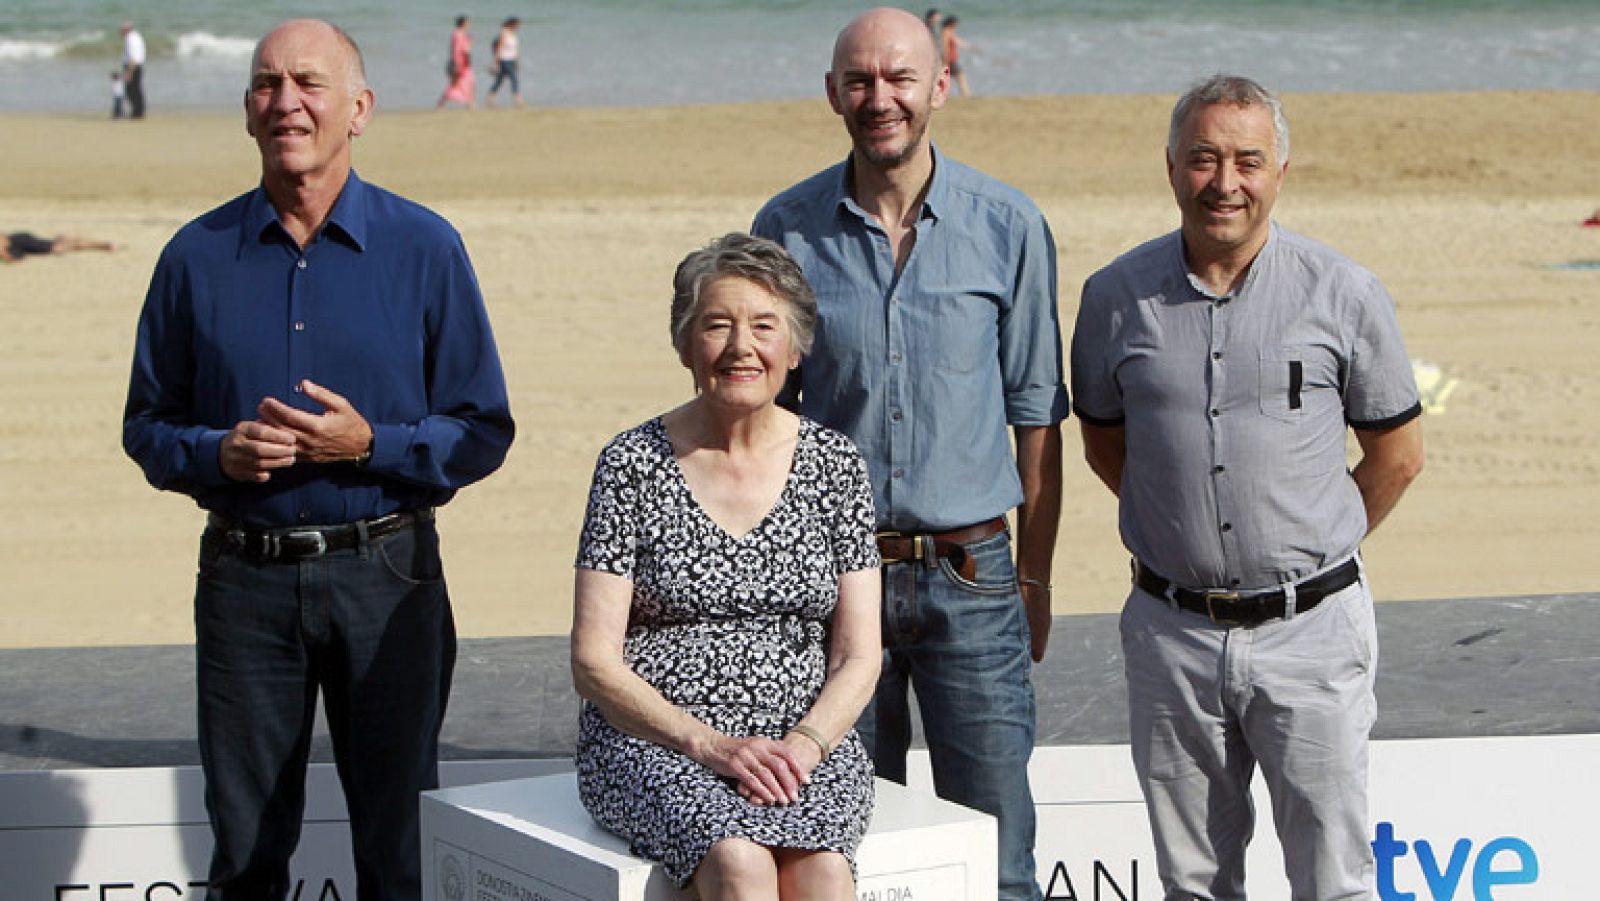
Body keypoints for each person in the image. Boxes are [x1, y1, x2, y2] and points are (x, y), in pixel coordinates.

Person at [121, 18, 514, 901]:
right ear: (247, 111)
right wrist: (215, 452)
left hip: (389, 577)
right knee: (247, 856)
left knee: (398, 849)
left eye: (308, 83)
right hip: (245, 583)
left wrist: (372, 443)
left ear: (359, 109)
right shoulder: (194, 257)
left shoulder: (425, 248)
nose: (285, 102)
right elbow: (148, 426)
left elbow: (483, 429)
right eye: (266, 85)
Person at [1071, 74, 1425, 900]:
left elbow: (1397, 455)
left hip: (1314, 634)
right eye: (1203, 159)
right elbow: (1105, 442)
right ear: (1170, 168)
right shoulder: (1114, 298)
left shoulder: (1345, 293)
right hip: (1172, 636)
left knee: (1333, 877)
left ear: (1280, 173)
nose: (1224, 182)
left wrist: (1310, 540)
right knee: (1193, 881)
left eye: (1247, 160)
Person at [751, 8, 1068, 899]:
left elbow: (1037, 414)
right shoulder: (787, 227)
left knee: (1000, 853)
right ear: (832, 94)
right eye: (859, 80)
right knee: (841, 844)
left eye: (899, 79)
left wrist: (1033, 577)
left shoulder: (1007, 225)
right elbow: (766, 419)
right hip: (834, 585)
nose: (879, 98)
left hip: (975, 576)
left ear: (940, 85)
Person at [570, 232, 882, 899]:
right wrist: (708, 745)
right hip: (656, 740)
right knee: (739, 861)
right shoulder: (631, 464)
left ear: (795, 350)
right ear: (686, 346)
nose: (742, 346)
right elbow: (593, 661)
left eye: (765, 327)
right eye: (718, 325)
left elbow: (859, 654)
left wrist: (803, 745)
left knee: (822, 869)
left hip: (801, 743)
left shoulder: (837, 465)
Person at [436, 15, 476, 109]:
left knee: (470, 83)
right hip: (460, 63)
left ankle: (470, 103)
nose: (469, 24)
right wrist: (458, 64)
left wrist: (469, 42)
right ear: (462, 23)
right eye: (467, 22)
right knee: (456, 84)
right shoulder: (457, 34)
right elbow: (456, 50)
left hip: (466, 62)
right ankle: (441, 103)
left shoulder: (463, 34)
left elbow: (467, 49)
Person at [2, 232, 117, 263]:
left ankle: (104, 245)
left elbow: (5, 252)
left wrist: (8, 258)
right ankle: (63, 238)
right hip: (19, 240)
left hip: (20, 242)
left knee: (58, 248)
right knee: (58, 246)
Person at [485, 17, 524, 108]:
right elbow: (499, 48)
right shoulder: (504, 33)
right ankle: (517, 98)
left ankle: (490, 97)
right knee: (514, 78)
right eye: (517, 25)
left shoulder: (513, 35)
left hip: (511, 60)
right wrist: (494, 62)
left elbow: (515, 49)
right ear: (512, 24)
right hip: (504, 59)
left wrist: (517, 61)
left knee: (499, 80)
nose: (518, 27)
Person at [940, 15, 971, 98]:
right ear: (951, 23)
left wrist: (971, 48)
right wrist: (945, 60)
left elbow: (959, 42)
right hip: (950, 59)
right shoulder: (946, 32)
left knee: (950, 78)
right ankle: (966, 95)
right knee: (960, 77)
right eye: (955, 24)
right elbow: (945, 46)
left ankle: (965, 95)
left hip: (952, 59)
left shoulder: (950, 32)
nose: (956, 26)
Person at [120, 21, 146, 119]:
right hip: (137, 65)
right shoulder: (136, 36)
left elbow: (133, 57)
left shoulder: (131, 39)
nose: (120, 32)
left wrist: (129, 72)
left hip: (133, 66)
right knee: (136, 89)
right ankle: (138, 112)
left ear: (126, 29)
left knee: (131, 90)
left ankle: (137, 113)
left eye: (121, 30)